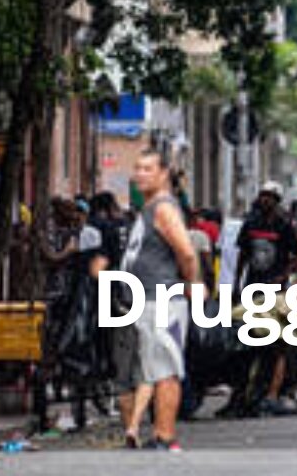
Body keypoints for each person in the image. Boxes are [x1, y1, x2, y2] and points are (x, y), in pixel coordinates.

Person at [118, 148, 202, 451]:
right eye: (137, 168)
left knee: (165, 369)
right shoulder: (150, 207)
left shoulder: (164, 207)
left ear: (164, 174)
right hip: (147, 302)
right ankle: (158, 433)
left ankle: (165, 436)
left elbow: (187, 251)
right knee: (154, 368)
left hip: (161, 301)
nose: (139, 174)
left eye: (147, 169)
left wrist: (192, 283)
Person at [235, 181, 297, 290]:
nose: (265, 200)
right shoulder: (251, 223)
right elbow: (243, 254)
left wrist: (284, 275)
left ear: (277, 200)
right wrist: (237, 281)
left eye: (269, 197)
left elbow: (296, 255)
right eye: (263, 196)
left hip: (275, 285)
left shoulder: (284, 225)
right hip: (253, 283)